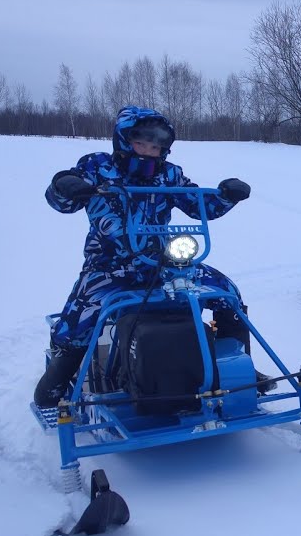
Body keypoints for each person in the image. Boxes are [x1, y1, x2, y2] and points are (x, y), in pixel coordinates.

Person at [33, 106, 256, 408]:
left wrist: (227, 195)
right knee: (79, 319)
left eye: (156, 147)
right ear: (124, 140)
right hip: (109, 266)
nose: (149, 152)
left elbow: (198, 204)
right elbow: (61, 200)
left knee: (226, 293)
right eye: (142, 144)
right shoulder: (98, 167)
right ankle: (56, 382)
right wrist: (65, 185)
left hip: (163, 265)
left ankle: (237, 366)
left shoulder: (169, 174)